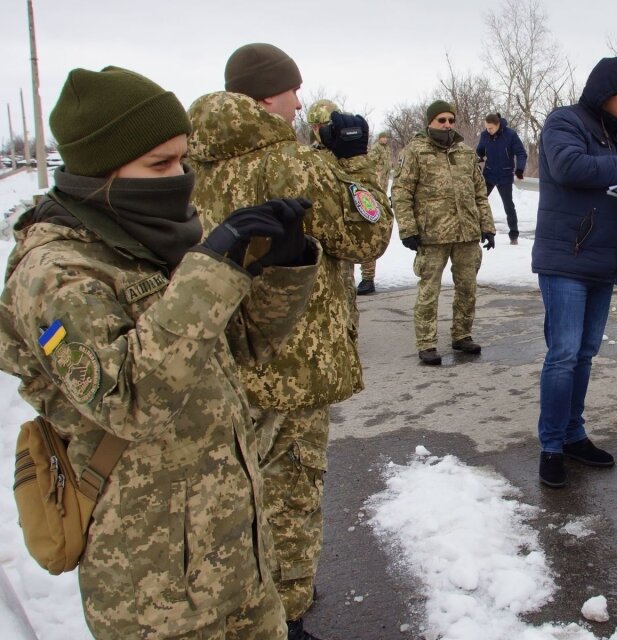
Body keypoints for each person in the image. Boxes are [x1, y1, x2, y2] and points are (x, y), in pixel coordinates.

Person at [0, 65, 321, 639]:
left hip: (237, 558)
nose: (178, 178)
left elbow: (240, 347)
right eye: (158, 165)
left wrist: (283, 268)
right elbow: (130, 402)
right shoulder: (56, 273)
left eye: (182, 160)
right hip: (157, 593)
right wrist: (210, 270)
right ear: (101, 169)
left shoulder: (155, 240)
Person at [188, 43, 388, 640]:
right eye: (292, 92)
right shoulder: (293, 163)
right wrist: (355, 166)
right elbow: (368, 237)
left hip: (221, 350)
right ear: (266, 96)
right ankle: (286, 613)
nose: (299, 104)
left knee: (232, 491)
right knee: (291, 488)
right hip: (292, 355)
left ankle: (241, 599)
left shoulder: (193, 162)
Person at [532, 57, 617, 488]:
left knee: (584, 354)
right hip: (566, 260)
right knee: (564, 354)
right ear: (607, 91)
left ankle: (573, 434)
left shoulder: (615, 141)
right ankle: (551, 446)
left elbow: (615, 197)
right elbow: (569, 167)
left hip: (602, 263)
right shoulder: (564, 122)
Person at [393, 100, 496, 365]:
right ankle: (426, 343)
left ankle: (462, 335)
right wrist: (408, 229)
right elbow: (401, 193)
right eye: (441, 120)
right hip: (432, 234)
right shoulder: (415, 151)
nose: (447, 125)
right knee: (429, 291)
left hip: (466, 233)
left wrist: (487, 227)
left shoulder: (465, 153)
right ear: (430, 122)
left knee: (467, 288)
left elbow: (479, 193)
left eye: (451, 120)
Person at [476, 113, 527, 245]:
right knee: (478, 202)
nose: (488, 130)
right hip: (489, 174)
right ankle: (478, 231)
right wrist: (478, 158)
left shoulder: (510, 135)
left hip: (505, 175)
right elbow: (480, 151)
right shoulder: (485, 135)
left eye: (491, 128)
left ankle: (514, 235)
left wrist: (520, 169)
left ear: (498, 125)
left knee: (508, 206)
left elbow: (521, 153)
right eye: (486, 128)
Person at [356, 131, 395, 294]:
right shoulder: (375, 149)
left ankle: (367, 278)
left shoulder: (383, 151)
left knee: (367, 237)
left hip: (374, 189)